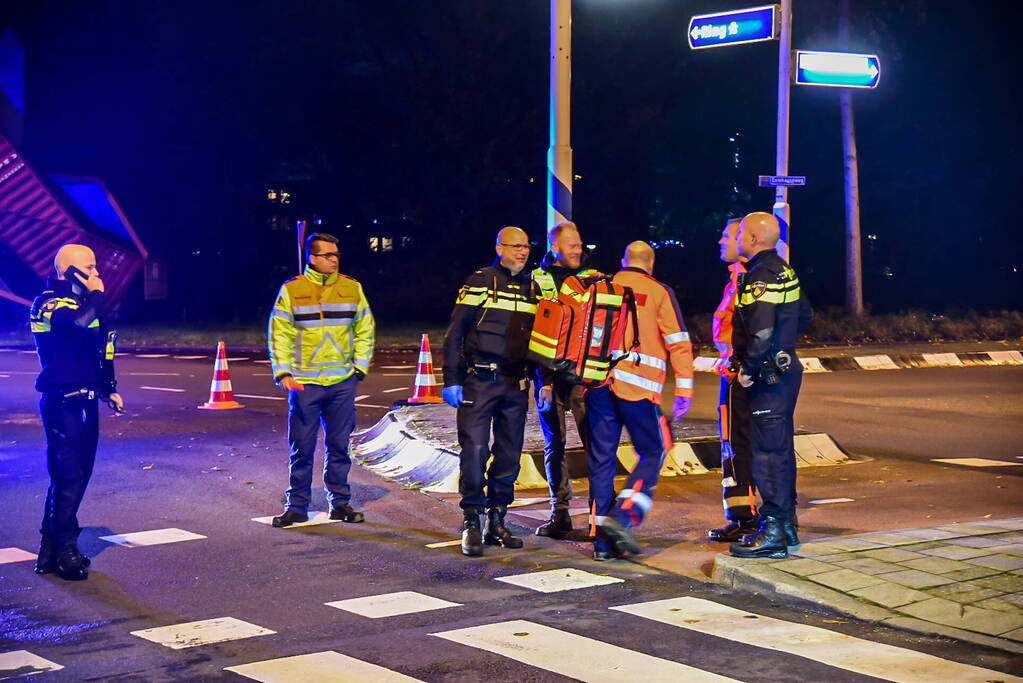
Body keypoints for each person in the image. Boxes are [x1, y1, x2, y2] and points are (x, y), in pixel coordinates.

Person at [586, 241, 694, 561]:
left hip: (599, 384)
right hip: (639, 389)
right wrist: (685, 391)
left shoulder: (602, 287)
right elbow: (678, 344)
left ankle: (602, 543)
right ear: (652, 263)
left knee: (601, 459)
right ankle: (624, 517)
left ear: (623, 260)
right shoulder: (660, 292)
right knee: (653, 451)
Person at [29, 244, 124, 581]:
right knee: (67, 477)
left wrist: (109, 386)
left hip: (86, 401)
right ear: (68, 272)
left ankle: (51, 548)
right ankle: (64, 549)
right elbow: (78, 325)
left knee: (76, 477)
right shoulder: (48, 303)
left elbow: (104, 346)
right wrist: (97, 296)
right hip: (61, 402)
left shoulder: (86, 305)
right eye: (91, 267)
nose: (98, 274)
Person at [267, 232, 375, 527]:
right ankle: (297, 505)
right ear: (312, 258)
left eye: (336, 255)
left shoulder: (352, 288)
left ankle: (340, 503)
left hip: (341, 381)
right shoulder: (292, 290)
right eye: (328, 255)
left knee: (339, 446)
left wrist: (359, 368)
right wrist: (284, 372)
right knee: (301, 447)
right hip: (304, 382)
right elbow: (280, 333)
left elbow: (365, 328)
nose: (334, 260)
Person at [443, 226, 537, 557]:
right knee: (475, 451)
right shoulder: (481, 281)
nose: (522, 252)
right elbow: (455, 333)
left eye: (526, 246)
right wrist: (451, 380)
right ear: (499, 248)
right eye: (516, 246)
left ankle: (498, 522)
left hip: (516, 383)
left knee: (509, 456)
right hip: (479, 381)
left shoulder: (532, 288)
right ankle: (472, 521)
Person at [728, 212, 813, 559]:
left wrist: (749, 367)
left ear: (752, 239)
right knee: (780, 450)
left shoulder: (760, 276)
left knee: (766, 454)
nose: (733, 240)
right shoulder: (783, 269)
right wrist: (785, 342)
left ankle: (774, 531)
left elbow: (760, 331)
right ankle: (787, 524)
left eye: (737, 235)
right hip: (784, 370)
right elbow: (805, 314)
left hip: (767, 376)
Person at [530, 221, 600, 538]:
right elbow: (537, 334)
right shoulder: (537, 280)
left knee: (595, 444)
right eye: (572, 245)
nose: (579, 250)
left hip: (584, 377)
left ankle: (600, 516)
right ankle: (561, 514)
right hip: (549, 378)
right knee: (554, 445)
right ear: (554, 246)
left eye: (580, 244)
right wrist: (543, 381)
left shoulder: (591, 280)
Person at [707, 218, 760, 543]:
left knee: (738, 446)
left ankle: (747, 518)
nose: (721, 241)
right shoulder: (737, 279)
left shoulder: (746, 282)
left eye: (726, 236)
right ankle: (741, 514)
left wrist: (736, 361)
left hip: (740, 377)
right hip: (733, 372)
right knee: (733, 446)